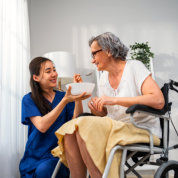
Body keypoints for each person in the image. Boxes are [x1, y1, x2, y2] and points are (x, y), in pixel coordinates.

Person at [51, 32, 165, 178]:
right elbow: (107, 114)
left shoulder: (134, 67)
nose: (92, 60)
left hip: (141, 129)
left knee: (83, 126)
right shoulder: (104, 78)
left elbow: (158, 100)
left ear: (108, 51)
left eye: (94, 54)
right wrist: (98, 110)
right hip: (116, 127)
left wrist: (113, 100)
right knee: (70, 130)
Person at [19, 56, 90, 178]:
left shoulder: (64, 95)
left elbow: (75, 122)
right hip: (35, 157)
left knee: (48, 169)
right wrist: (64, 101)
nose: (54, 74)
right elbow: (42, 126)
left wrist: (77, 97)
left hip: (60, 154)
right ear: (36, 78)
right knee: (44, 170)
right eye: (48, 71)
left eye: (54, 70)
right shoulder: (29, 99)